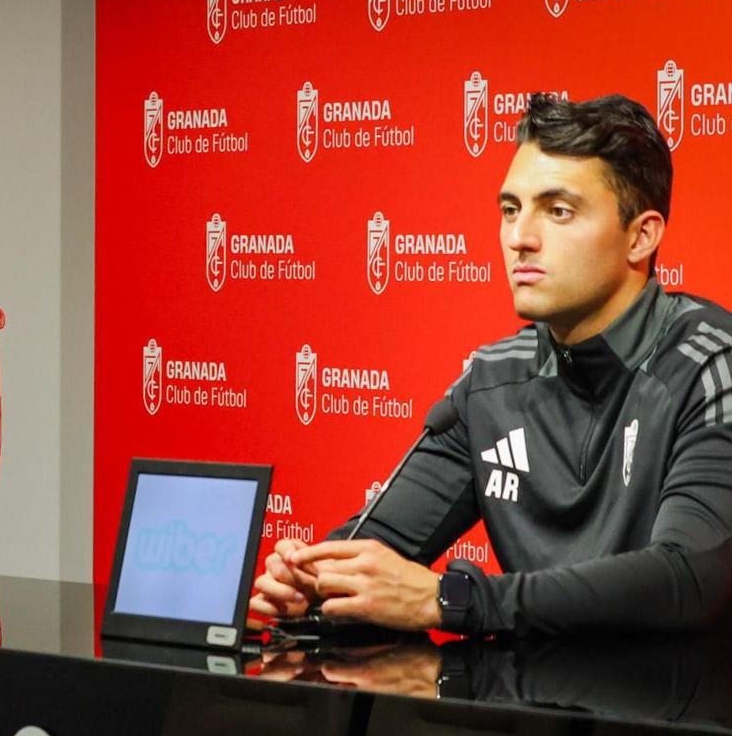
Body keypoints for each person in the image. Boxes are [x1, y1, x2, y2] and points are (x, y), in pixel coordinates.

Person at [251, 94, 732, 636]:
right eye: (510, 209)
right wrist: (315, 583)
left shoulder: (710, 365)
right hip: (530, 714)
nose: (520, 238)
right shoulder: (492, 383)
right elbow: (376, 544)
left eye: (558, 211)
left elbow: (690, 579)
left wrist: (455, 600)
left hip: (676, 712)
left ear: (641, 236)